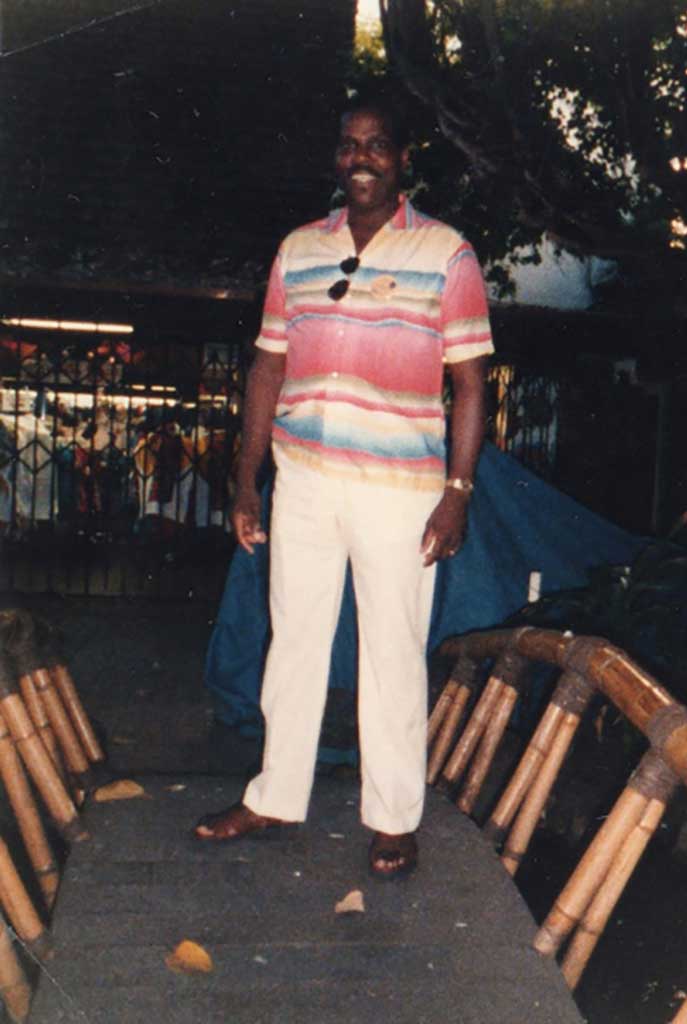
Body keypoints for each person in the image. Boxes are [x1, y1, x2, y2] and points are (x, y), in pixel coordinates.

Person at [194, 92, 493, 880]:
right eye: (349, 145)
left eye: (377, 144)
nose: (361, 158)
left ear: (403, 159)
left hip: (400, 491)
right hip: (304, 482)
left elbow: (470, 382)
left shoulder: (447, 254)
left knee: (392, 651)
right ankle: (274, 796)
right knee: (293, 638)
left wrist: (458, 491)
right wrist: (247, 480)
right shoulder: (298, 250)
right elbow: (267, 367)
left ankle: (394, 818)